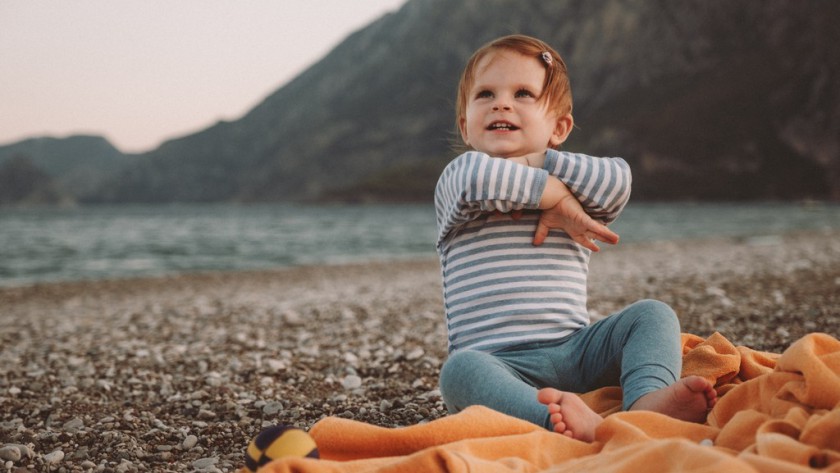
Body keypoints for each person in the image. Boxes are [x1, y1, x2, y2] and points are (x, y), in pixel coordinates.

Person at [434, 34, 716, 442]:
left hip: (576, 349)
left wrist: (545, 173)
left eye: (523, 93)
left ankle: (648, 403)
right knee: (459, 372)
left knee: (653, 314)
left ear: (559, 127)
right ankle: (553, 420)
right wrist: (557, 198)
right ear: (465, 125)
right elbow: (482, 177)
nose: (502, 103)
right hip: (499, 362)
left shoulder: (570, 176)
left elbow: (618, 180)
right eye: (485, 94)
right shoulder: (458, 181)